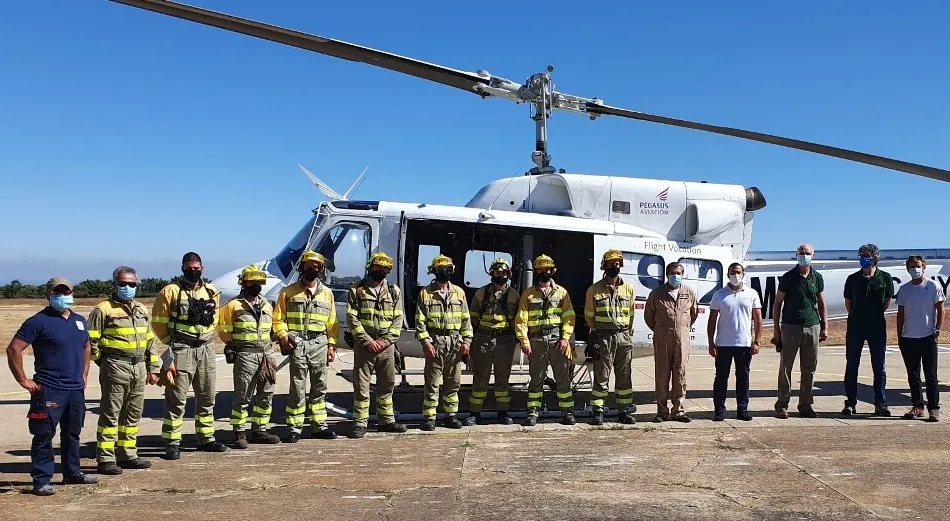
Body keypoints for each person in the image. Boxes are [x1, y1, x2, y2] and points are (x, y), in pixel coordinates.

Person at [6, 277, 98, 496]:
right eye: (57, 292)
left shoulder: (79, 320)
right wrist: (23, 380)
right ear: (48, 294)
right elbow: (14, 349)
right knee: (44, 435)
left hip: (75, 389)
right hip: (49, 388)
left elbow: (87, 346)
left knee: (73, 433)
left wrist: (84, 374)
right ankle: (42, 479)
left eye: (66, 292)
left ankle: (73, 472)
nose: (62, 296)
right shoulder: (37, 321)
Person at [152, 251, 228, 459]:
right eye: (189, 269)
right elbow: (158, 323)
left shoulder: (212, 291)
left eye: (197, 269)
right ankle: (172, 442)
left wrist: (207, 337)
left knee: (207, 396)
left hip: (205, 349)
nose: (193, 272)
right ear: (183, 268)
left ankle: (206, 438)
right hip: (181, 349)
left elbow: (215, 318)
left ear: (202, 269)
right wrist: (172, 345)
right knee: (176, 398)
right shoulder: (170, 292)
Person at [87, 266, 161, 475]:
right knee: (111, 413)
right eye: (123, 284)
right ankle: (105, 457)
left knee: (133, 413)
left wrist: (153, 368)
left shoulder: (141, 309)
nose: (127, 287)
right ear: (114, 284)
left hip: (138, 366)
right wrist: (104, 362)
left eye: (131, 284)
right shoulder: (103, 309)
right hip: (115, 365)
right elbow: (91, 342)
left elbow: (150, 341)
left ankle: (127, 454)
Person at [273, 250, 340, 442]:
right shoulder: (288, 292)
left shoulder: (327, 294)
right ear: (301, 267)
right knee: (297, 387)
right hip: (298, 344)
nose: (312, 269)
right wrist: (283, 336)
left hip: (320, 343)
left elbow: (332, 322)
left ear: (321, 269)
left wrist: (331, 345)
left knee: (320, 386)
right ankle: (294, 427)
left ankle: (319, 426)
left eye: (316, 266)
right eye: (308, 266)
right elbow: (278, 318)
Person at [346, 252, 408, 438]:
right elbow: (352, 318)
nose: (380, 271)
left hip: (386, 346)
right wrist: (367, 341)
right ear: (370, 267)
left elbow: (398, 318)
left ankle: (386, 421)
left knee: (387, 384)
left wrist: (385, 340)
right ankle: (360, 423)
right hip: (365, 346)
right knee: (362, 385)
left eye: (384, 268)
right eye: (376, 267)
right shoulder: (357, 290)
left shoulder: (394, 291)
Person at [218, 265, 282, 448]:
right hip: (245, 356)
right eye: (252, 282)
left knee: (266, 394)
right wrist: (235, 347)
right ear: (244, 283)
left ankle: (259, 429)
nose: (256, 285)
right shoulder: (232, 306)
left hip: (266, 355)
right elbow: (224, 332)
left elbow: (272, 329)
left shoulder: (267, 305)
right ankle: (239, 433)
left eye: (259, 282)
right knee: (243, 395)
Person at [515, 254, 577, 427]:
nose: (544, 272)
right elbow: (521, 319)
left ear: (552, 270)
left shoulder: (562, 293)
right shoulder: (528, 294)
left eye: (547, 268)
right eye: (541, 269)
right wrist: (524, 341)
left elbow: (569, 317)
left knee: (563, 378)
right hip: (536, 341)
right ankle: (533, 413)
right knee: (536, 379)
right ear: (536, 271)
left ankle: (568, 413)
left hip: (558, 340)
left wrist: (565, 338)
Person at [415, 254, 473, 431]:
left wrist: (467, 342)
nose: (443, 272)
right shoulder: (425, 293)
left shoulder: (459, 292)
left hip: (455, 342)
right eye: (440, 269)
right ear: (434, 271)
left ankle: (450, 416)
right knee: (432, 382)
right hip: (436, 341)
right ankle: (430, 417)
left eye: (446, 269)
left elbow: (466, 320)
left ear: (452, 271)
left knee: (453, 382)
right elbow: (419, 321)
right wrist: (426, 342)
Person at [771, 243, 827, 419]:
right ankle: (782, 404)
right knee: (786, 368)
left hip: (812, 326)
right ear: (796, 255)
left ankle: (805, 405)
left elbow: (822, 304)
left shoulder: (817, 277)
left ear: (813, 255)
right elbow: (778, 303)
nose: (804, 255)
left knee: (809, 368)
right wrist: (776, 330)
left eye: (807, 253)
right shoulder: (788, 277)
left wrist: (825, 326)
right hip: (790, 327)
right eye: (801, 253)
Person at [464, 258, 520, 426]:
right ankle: (475, 413)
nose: (500, 276)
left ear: (508, 275)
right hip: (483, 339)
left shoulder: (514, 295)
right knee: (480, 378)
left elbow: (519, 319)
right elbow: (472, 318)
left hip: (505, 340)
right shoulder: (481, 294)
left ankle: (502, 413)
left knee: (502, 378)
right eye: (497, 273)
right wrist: (471, 340)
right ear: (491, 274)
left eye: (503, 273)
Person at [584, 250, 637, 425]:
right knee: (601, 376)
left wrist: (627, 334)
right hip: (604, 338)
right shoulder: (594, 289)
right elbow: (589, 316)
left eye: (616, 264)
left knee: (624, 376)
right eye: (610, 264)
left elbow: (631, 315)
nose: (614, 267)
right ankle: (598, 411)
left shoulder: (628, 289)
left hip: (623, 338)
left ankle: (624, 411)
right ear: (604, 266)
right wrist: (598, 333)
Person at [841, 243, 894, 417]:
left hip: (877, 327)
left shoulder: (885, 278)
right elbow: (849, 303)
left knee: (879, 366)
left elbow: (887, 301)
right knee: (852, 365)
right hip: (856, 327)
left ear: (875, 258)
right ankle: (850, 403)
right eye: (862, 255)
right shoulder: (852, 279)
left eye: (867, 256)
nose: (864, 259)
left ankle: (880, 403)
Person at [707, 263, 763, 422]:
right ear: (728, 275)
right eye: (732, 272)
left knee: (743, 378)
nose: (735, 275)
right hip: (723, 344)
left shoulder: (751, 294)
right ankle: (719, 410)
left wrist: (757, 341)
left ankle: (742, 409)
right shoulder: (719, 295)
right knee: (721, 378)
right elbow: (712, 320)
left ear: (743, 274)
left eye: (738, 272)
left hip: (744, 344)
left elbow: (758, 319)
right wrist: (711, 343)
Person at [644, 262, 698, 423]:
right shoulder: (656, 294)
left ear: (683, 274)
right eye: (673, 273)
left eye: (679, 273)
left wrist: (681, 328)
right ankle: (662, 411)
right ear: (667, 275)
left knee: (680, 374)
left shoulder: (689, 293)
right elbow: (649, 317)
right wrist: (662, 329)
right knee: (662, 375)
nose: (676, 276)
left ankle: (678, 411)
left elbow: (693, 314)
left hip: (682, 338)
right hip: (662, 338)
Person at [896, 255, 945, 422]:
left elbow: (941, 309)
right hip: (909, 338)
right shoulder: (904, 289)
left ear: (923, 267)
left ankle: (934, 408)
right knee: (913, 375)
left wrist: (937, 330)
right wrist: (899, 335)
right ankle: (917, 406)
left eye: (917, 265)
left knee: (930, 374)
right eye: (910, 266)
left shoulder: (932, 286)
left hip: (928, 337)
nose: (914, 269)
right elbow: (900, 313)